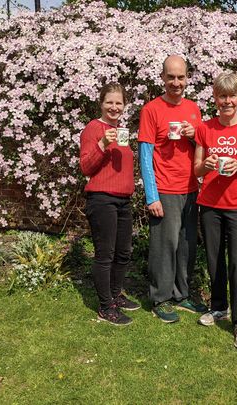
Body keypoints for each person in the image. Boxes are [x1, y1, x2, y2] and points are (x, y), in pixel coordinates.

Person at [194, 73, 237, 350]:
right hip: (210, 204)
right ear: (215, 98)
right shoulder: (205, 128)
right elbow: (196, 169)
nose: (227, 101)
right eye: (222, 96)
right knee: (214, 261)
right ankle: (219, 307)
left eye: (232, 96)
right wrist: (208, 165)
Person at [138, 55, 207, 323]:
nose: (175, 82)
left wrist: (194, 135)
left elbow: (201, 150)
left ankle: (182, 294)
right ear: (162, 78)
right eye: (171, 77)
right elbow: (145, 155)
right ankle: (160, 298)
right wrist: (151, 195)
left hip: (190, 187)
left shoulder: (193, 109)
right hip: (165, 188)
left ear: (187, 78)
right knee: (164, 246)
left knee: (187, 245)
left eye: (180, 77)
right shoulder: (151, 110)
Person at [80, 82, 140, 326]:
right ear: (101, 103)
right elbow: (86, 166)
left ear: (124, 105)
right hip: (102, 198)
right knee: (105, 255)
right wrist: (102, 144)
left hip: (123, 199)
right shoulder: (93, 128)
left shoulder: (122, 131)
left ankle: (116, 295)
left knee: (123, 252)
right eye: (110, 102)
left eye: (119, 103)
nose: (114, 107)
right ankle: (106, 307)